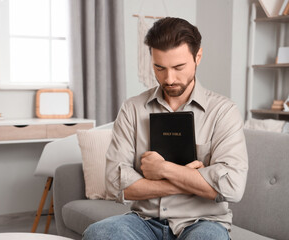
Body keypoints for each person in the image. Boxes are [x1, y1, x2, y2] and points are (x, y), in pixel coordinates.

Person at [83, 17, 248, 240]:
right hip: (144, 222)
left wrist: (163, 170)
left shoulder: (223, 111)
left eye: (178, 67)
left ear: (198, 57)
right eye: (159, 68)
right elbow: (115, 185)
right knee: (98, 233)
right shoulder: (132, 108)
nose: (169, 79)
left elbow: (232, 187)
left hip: (204, 222)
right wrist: (192, 180)